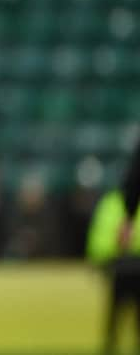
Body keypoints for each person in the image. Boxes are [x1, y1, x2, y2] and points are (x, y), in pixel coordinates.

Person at [86, 141, 140, 355]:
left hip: (123, 264)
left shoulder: (113, 203)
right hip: (122, 265)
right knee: (117, 320)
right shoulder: (112, 203)